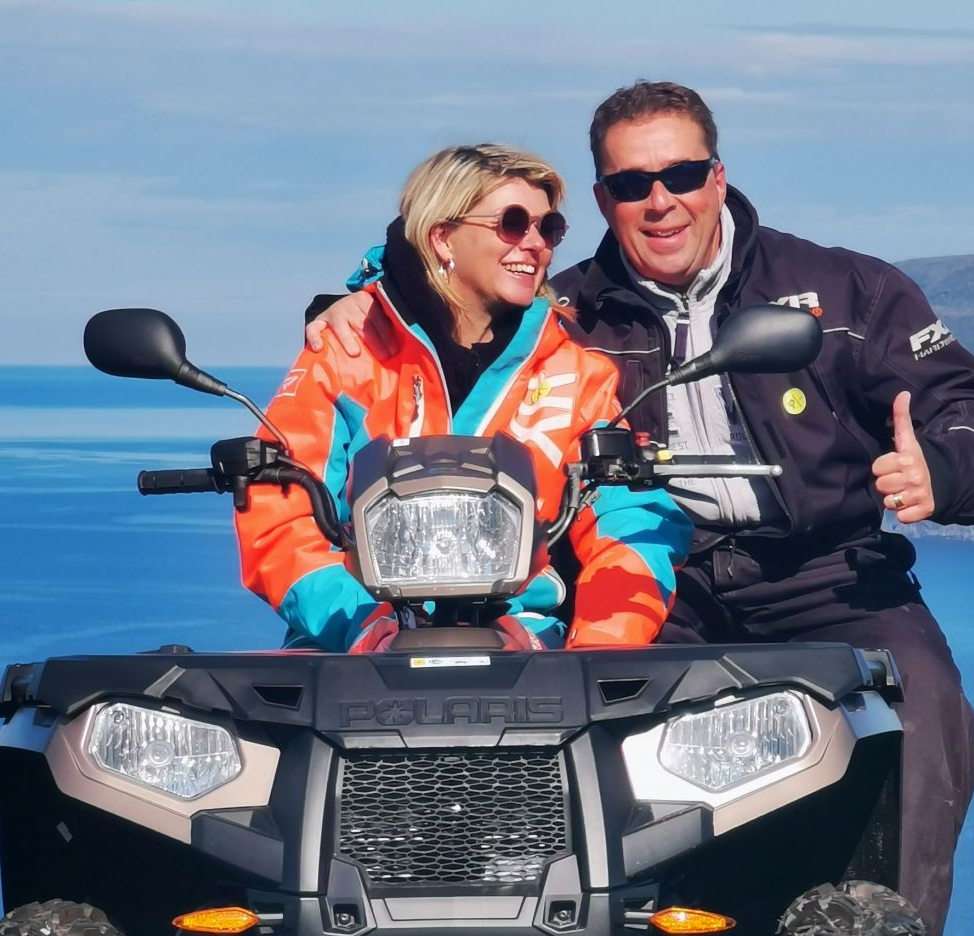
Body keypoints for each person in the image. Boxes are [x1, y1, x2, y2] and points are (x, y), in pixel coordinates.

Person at [304, 83, 974, 936]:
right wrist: (352, 300)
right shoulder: (559, 315)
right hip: (656, 582)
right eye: (630, 183)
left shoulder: (844, 291)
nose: (660, 200)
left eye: (681, 173)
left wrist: (940, 469)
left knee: (922, 719)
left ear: (719, 178)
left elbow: (973, 415)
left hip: (830, 577)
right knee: (582, 751)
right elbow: (439, 297)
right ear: (603, 197)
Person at [237, 143, 691, 655]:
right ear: (442, 237)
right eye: (514, 223)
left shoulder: (575, 372)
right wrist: (364, 628)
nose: (535, 244)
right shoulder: (344, 351)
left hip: (523, 647)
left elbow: (628, 522)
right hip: (353, 651)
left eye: (550, 228)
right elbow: (278, 513)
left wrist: (598, 652)